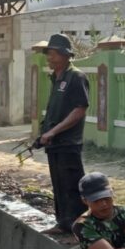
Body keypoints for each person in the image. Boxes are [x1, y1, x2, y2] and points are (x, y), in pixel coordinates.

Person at [38, 33, 89, 235]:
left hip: (68, 142)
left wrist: (54, 131)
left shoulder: (76, 77)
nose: (49, 58)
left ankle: (81, 229)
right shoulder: (56, 78)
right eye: (48, 54)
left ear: (65, 55)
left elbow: (79, 110)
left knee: (72, 186)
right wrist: (45, 132)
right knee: (59, 185)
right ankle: (63, 223)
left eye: (53, 54)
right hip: (54, 143)